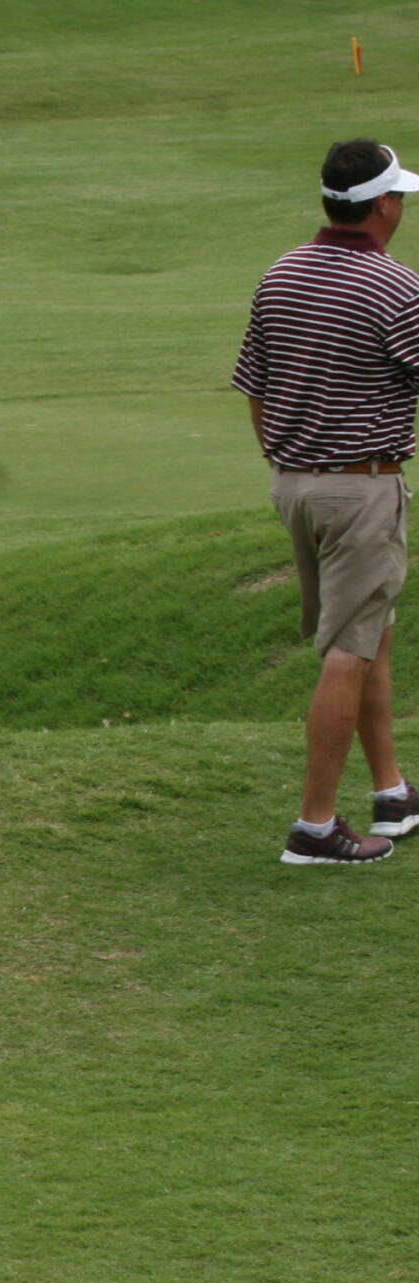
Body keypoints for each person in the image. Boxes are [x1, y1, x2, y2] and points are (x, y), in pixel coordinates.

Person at [235, 137, 419, 864]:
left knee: (371, 628)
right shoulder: (396, 288)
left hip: (294, 483)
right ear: (381, 205)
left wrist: (288, 465)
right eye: (399, 195)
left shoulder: (282, 272)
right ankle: (315, 827)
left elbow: (254, 382)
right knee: (348, 650)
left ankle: (393, 792)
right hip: (361, 488)